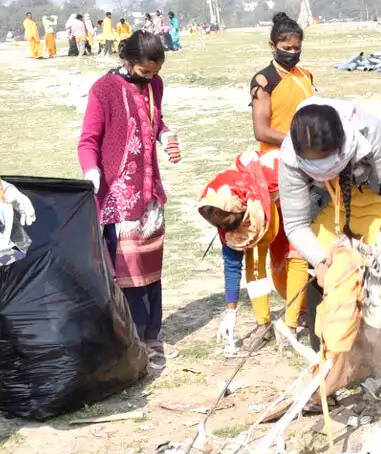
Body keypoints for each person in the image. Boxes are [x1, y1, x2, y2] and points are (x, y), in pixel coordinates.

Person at [77, 31, 182, 355]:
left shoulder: (155, 87)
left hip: (149, 192)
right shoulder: (104, 90)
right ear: (127, 61)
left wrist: (165, 137)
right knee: (128, 271)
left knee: (152, 265)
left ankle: (153, 335)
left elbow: (155, 121)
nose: (149, 79)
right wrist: (92, 171)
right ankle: (133, 341)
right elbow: (88, 140)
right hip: (117, 196)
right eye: (144, 72)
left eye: (155, 73)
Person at [278, 98, 381, 305]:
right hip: (327, 205)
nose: (324, 170)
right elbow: (296, 223)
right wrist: (321, 262)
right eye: (315, 165)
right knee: (338, 282)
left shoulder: (371, 132)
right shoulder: (290, 158)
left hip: (375, 193)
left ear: (343, 144)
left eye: (328, 160)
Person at [231, 12, 316, 342]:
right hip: (272, 170)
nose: (292, 52)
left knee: (298, 244)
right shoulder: (264, 81)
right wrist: (299, 140)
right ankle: (263, 319)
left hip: (307, 169)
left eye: (296, 47)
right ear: (273, 45)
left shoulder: (305, 76)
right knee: (259, 245)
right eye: (285, 46)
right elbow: (261, 129)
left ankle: (293, 320)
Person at [198, 150, 286, 349]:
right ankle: (264, 324)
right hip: (261, 201)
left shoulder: (270, 180)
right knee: (253, 264)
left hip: (286, 195)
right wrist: (230, 313)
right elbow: (232, 266)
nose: (226, 231)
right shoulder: (220, 208)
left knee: (293, 255)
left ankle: (295, 320)